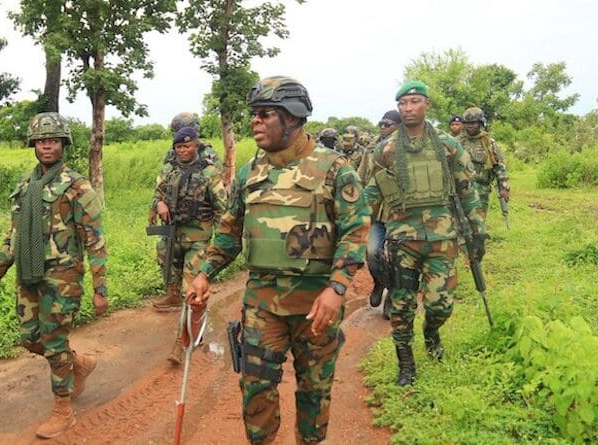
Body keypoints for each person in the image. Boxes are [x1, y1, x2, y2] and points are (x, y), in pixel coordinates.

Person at [187, 76, 370, 444]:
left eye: (265, 114)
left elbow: (355, 231)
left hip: (315, 304)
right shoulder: (249, 172)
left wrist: (337, 289)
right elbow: (229, 229)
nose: (255, 121)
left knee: (314, 392)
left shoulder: (334, 169)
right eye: (253, 114)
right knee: (256, 391)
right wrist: (205, 272)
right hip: (262, 303)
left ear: (293, 117)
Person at [0, 112, 108, 439]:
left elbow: (95, 239)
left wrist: (101, 287)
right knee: (31, 339)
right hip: (28, 274)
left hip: (62, 277)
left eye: (53, 140)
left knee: (53, 342)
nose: (47, 146)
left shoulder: (77, 186)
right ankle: (79, 364)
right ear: (33, 145)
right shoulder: (25, 186)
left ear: (63, 143)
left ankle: (63, 409)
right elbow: (12, 236)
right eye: (41, 141)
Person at [365, 80, 487, 386]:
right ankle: (405, 363)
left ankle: (431, 333)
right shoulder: (386, 149)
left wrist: (478, 231)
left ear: (426, 105)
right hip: (403, 241)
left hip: (442, 240)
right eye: (403, 104)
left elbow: (467, 189)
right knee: (402, 306)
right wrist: (349, 227)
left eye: (415, 101)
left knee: (440, 305)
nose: (408, 108)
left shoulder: (448, 145)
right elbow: (370, 194)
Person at [149, 126, 227, 364]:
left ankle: (182, 343)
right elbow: (157, 194)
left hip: (198, 238)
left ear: (196, 146)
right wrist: (159, 204)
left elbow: (222, 207)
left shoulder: (209, 172)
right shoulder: (168, 169)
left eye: (187, 146)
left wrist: (222, 242)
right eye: (179, 147)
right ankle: (173, 297)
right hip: (173, 236)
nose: (183, 150)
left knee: (191, 290)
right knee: (166, 266)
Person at [357, 110, 401, 317]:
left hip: (397, 212)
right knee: (372, 253)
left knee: (395, 257)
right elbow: (361, 176)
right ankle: (379, 283)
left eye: (388, 124)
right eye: (381, 124)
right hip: (374, 209)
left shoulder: (405, 148)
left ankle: (392, 293)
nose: (383, 127)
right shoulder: (371, 147)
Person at [457, 107, 510, 215]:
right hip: (460, 189)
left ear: (481, 123)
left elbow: (499, 166)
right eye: (467, 123)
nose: (470, 125)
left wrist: (503, 185)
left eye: (473, 123)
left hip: (481, 190)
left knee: (479, 223)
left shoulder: (489, 143)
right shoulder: (456, 142)